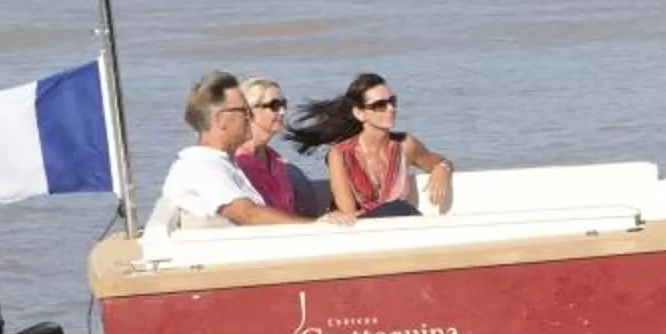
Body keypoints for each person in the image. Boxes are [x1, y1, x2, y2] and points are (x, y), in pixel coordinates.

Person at [153, 72, 311, 230]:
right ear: (220, 119)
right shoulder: (201, 167)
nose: (249, 118)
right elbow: (248, 215)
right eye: (244, 111)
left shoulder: (221, 163)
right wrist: (315, 227)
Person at [289, 72, 454, 221]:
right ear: (360, 113)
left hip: (402, 225)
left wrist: (442, 169)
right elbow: (348, 214)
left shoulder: (406, 145)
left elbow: (439, 162)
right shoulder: (340, 155)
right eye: (380, 105)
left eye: (392, 101)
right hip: (366, 231)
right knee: (397, 207)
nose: (391, 109)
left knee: (400, 208)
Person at [231, 77, 321, 218]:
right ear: (249, 111)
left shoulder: (277, 161)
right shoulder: (235, 162)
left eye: (283, 104)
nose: (282, 112)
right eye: (274, 105)